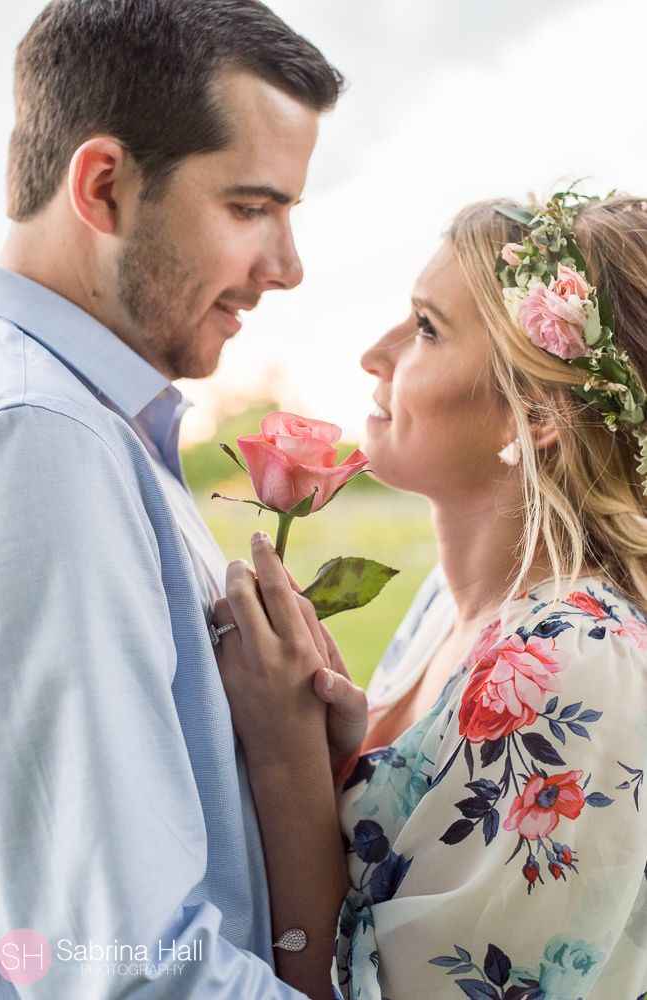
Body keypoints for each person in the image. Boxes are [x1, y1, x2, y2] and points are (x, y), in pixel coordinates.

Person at [0, 1, 345, 997]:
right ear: (104, 187)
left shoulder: (89, 424)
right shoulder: (41, 435)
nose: (287, 267)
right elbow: (125, 968)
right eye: (249, 207)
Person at [215, 194, 647, 999]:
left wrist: (285, 755)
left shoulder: (574, 667)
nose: (374, 355)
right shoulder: (445, 607)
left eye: (425, 328)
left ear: (539, 411)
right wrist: (329, 744)